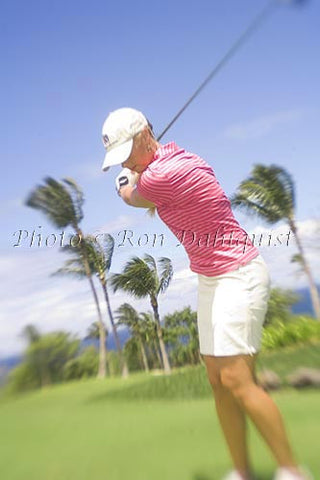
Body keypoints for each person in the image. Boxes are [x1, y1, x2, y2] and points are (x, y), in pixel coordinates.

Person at [101, 107, 312, 480]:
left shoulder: (164, 174)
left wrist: (123, 179)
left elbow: (133, 196)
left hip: (238, 275)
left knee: (236, 380)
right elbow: (143, 175)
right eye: (121, 157)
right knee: (217, 379)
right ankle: (242, 472)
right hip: (212, 278)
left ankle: (292, 471)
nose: (127, 161)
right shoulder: (168, 159)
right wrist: (135, 164)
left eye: (127, 153)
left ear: (145, 136)